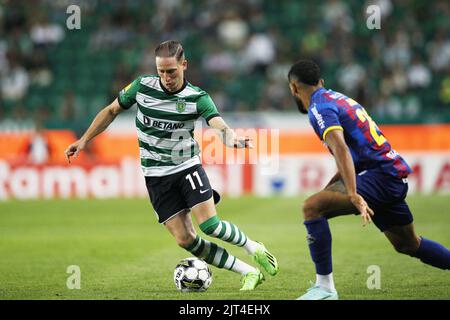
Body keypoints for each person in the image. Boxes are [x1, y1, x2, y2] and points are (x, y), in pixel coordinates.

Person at [65, 40, 279, 291]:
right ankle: (248, 272)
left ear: (184, 65)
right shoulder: (141, 87)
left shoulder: (197, 98)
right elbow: (111, 111)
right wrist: (84, 140)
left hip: (187, 167)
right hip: (155, 176)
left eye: (171, 71)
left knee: (210, 225)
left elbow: (218, 124)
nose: (166, 77)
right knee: (184, 239)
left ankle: (254, 248)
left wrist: (231, 138)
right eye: (161, 71)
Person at [287, 59, 450, 300]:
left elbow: (341, 149)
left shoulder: (319, 108)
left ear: (293, 87)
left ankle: (325, 289)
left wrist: (352, 193)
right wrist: (335, 184)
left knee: (312, 207)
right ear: (321, 81)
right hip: (390, 175)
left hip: (380, 176)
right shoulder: (339, 99)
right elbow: (355, 154)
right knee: (407, 244)